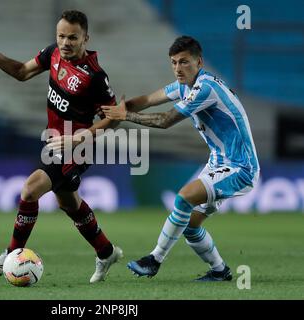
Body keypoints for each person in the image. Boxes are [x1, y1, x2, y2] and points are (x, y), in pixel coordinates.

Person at [0, 10, 123, 283]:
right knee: (68, 202)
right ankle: (106, 250)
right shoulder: (53, 54)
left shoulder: (95, 77)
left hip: (77, 146)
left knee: (30, 190)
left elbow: (114, 119)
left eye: (73, 38)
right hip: (54, 140)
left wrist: (79, 137)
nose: (65, 42)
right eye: (61, 36)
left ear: (86, 38)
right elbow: (20, 72)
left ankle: (11, 253)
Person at [102, 35, 260, 281]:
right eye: (174, 62)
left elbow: (165, 121)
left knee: (184, 197)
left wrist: (126, 117)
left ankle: (154, 259)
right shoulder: (184, 85)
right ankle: (220, 271)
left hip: (241, 167)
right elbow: (146, 100)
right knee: (189, 225)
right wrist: (113, 109)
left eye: (184, 62)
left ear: (199, 62)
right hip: (218, 163)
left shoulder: (205, 88)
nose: (178, 68)